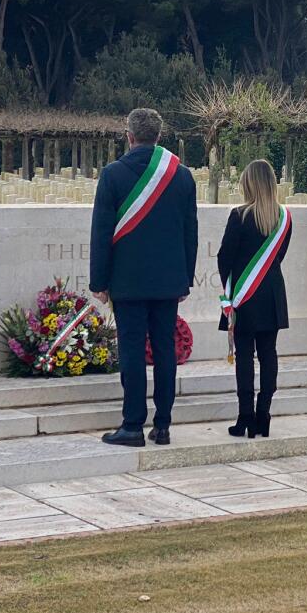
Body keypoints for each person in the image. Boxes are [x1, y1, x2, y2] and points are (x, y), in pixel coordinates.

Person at [89, 108, 198, 447]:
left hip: (128, 281)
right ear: (159, 137)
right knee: (165, 350)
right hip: (167, 281)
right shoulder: (181, 176)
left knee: (133, 351)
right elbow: (189, 233)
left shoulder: (112, 175)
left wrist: (99, 282)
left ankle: (132, 425)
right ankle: (163, 425)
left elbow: (101, 232)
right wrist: (185, 279)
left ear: (129, 136)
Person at [217, 160, 292, 439]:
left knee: (245, 356)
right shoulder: (284, 217)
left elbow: (225, 257)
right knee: (269, 353)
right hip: (272, 293)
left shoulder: (239, 215)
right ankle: (264, 416)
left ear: (248, 183)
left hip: (245, 295)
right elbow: (279, 257)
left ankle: (244, 417)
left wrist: (232, 287)